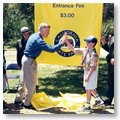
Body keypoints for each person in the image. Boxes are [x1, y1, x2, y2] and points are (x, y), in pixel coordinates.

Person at [14, 23, 66, 108]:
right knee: (32, 84)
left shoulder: (34, 35)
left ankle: (18, 99)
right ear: (42, 30)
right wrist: (61, 43)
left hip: (25, 59)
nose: (48, 33)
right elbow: (51, 49)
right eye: (47, 31)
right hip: (29, 61)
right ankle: (27, 103)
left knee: (22, 81)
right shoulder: (38, 40)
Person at [65, 34, 104, 113]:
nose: (86, 42)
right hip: (87, 70)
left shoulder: (94, 54)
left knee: (88, 89)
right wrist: (67, 41)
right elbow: (74, 50)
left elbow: (93, 67)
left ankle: (87, 105)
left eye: (88, 41)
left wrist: (88, 76)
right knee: (91, 87)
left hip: (91, 72)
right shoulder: (85, 50)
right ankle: (98, 100)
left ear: (93, 44)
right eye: (86, 41)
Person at [101, 33, 114, 105]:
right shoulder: (113, 37)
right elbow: (110, 50)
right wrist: (104, 43)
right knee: (111, 82)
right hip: (111, 64)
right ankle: (109, 99)